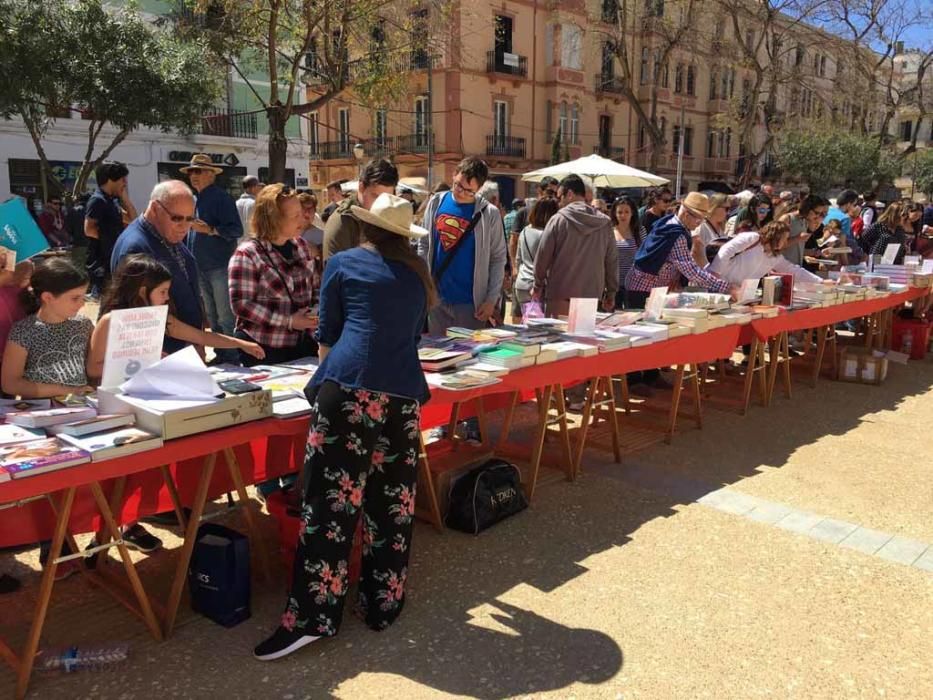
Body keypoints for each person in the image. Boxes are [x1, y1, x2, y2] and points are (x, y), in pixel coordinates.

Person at [253, 193, 435, 661]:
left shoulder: (345, 262)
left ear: (365, 228)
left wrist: (320, 383)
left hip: (351, 389)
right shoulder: (417, 276)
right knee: (392, 506)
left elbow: (328, 333)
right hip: (403, 395)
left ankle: (314, 617)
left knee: (330, 508)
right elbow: (412, 335)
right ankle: (383, 601)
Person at [87, 255, 264, 380]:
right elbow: (93, 369)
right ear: (142, 291)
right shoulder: (110, 322)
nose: (167, 297)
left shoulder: (161, 318)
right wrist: (146, 362)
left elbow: (202, 336)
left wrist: (241, 344)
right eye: (162, 292)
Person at [229, 184, 319, 365]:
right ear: (273, 219)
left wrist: (315, 311)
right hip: (262, 349)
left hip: (301, 347)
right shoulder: (247, 254)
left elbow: (315, 288)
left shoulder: (302, 246)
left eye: (301, 212)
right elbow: (241, 305)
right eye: (295, 216)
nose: (303, 218)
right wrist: (289, 321)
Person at [110, 181, 203, 355]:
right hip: (163, 355)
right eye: (176, 218)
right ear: (154, 209)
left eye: (190, 219)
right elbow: (135, 317)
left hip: (185, 349)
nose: (184, 226)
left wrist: (198, 343)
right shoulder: (135, 247)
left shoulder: (167, 235)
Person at [417, 156, 507, 335]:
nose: (461, 192)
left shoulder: (490, 214)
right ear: (454, 174)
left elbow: (498, 258)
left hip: (472, 305)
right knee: (438, 357)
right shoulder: (436, 203)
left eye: (469, 191)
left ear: (479, 188)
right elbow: (424, 244)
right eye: (458, 185)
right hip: (437, 301)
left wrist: (491, 300)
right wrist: (425, 285)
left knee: (467, 359)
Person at [1, 257, 94, 399]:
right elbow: (10, 384)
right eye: (75, 298)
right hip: (40, 412)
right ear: (48, 297)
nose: (82, 304)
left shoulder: (83, 325)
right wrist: (66, 391)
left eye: (83, 297)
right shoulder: (23, 331)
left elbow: (92, 369)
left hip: (82, 409)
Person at [181, 154, 243, 364]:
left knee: (225, 316)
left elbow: (236, 230)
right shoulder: (194, 199)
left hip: (219, 265)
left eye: (198, 171)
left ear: (210, 174)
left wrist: (210, 230)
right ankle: (222, 354)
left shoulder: (221, 198)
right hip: (200, 265)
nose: (193, 175)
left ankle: (233, 356)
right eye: (191, 171)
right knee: (212, 316)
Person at [530, 175, 617, 317]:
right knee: (586, 339)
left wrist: (537, 285)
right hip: (591, 298)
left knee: (558, 339)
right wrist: (611, 292)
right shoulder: (605, 223)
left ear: (569, 194)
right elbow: (611, 261)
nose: (558, 202)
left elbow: (542, 256)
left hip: (560, 295)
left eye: (560, 197)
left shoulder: (558, 220)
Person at [323, 159, 399, 262]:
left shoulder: (390, 215)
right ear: (361, 187)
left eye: (387, 197)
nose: (381, 203)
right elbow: (335, 272)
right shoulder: (342, 221)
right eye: (375, 196)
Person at [708, 221, 822, 285]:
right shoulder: (752, 238)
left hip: (736, 292)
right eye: (783, 237)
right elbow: (726, 250)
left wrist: (820, 281)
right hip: (718, 283)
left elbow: (794, 270)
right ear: (774, 235)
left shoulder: (774, 257)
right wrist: (715, 274)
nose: (785, 242)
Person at [85, 161, 136, 298]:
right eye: (122, 179)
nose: (125, 183)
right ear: (110, 180)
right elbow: (89, 229)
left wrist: (125, 198)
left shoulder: (112, 201)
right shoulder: (97, 200)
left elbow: (132, 220)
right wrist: (110, 242)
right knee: (105, 303)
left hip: (115, 261)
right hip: (102, 264)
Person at [512, 197, 559, 322]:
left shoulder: (524, 231)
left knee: (525, 324)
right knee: (540, 330)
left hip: (521, 284)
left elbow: (518, 258)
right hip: (538, 287)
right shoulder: (547, 235)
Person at [508, 177, 559, 277]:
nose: (554, 196)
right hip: (526, 273)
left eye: (556, 193)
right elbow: (514, 241)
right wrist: (514, 266)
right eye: (550, 192)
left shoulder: (558, 214)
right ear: (540, 191)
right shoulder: (523, 212)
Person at [611, 196, 645, 310]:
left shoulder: (640, 231)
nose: (623, 215)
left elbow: (646, 255)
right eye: (619, 212)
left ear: (632, 213)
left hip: (634, 284)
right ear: (615, 214)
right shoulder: (609, 231)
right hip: (613, 284)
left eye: (626, 212)